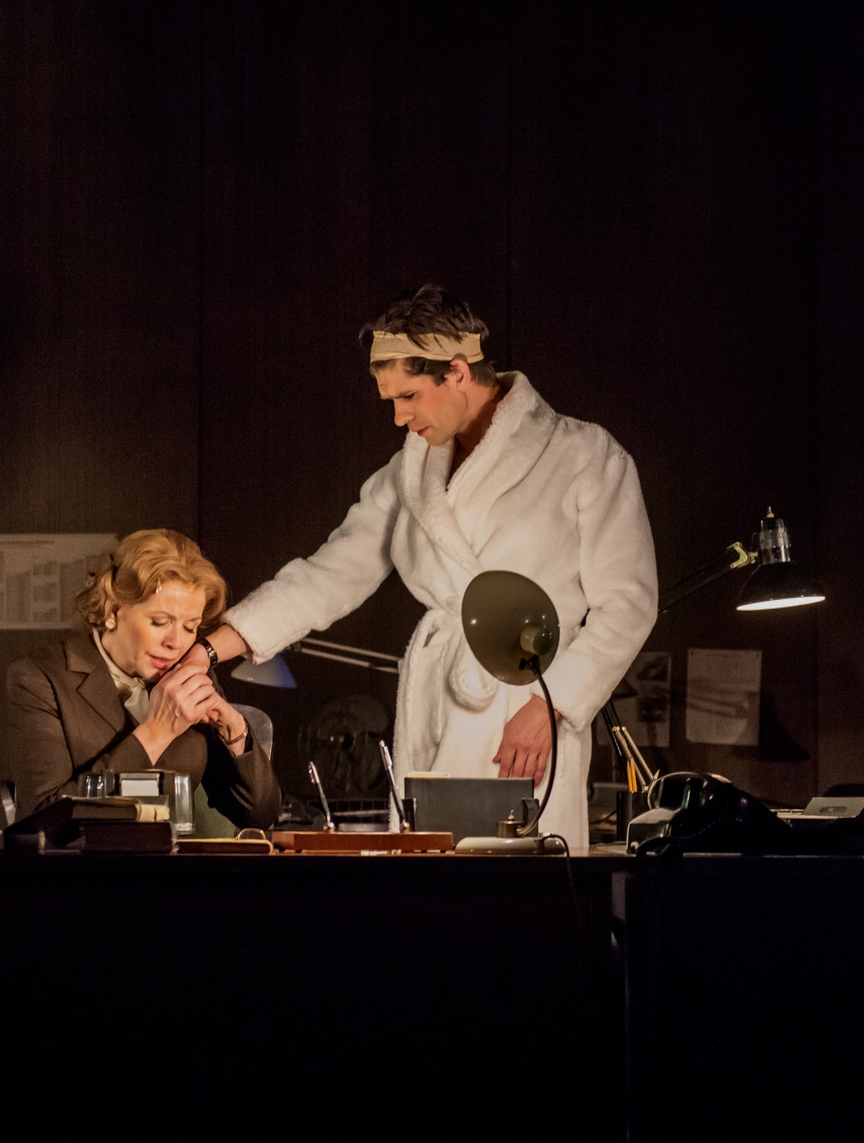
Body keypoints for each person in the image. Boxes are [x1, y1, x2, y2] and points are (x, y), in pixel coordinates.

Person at [182, 285, 657, 849]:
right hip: (435, 699)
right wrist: (209, 649)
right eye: (389, 400)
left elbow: (628, 605)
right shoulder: (405, 477)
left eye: (408, 395)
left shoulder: (586, 457)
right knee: (430, 889)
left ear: (457, 371)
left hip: (531, 707)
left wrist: (551, 707)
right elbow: (327, 576)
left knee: (524, 890)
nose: (398, 417)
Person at [6, 530, 281, 828]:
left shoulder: (190, 675)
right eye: (160, 622)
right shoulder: (41, 678)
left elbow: (258, 816)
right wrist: (156, 733)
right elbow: (42, 821)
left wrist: (235, 730)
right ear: (113, 610)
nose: (176, 642)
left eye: (190, 627)